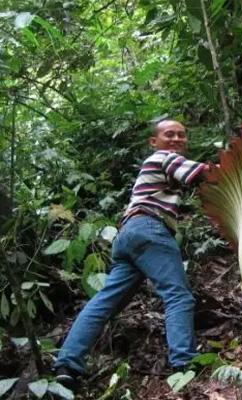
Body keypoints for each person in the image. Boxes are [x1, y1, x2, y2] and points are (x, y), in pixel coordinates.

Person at [54, 119, 209, 389]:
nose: (176, 139)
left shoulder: (158, 164)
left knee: (105, 302)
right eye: (169, 134)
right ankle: (184, 363)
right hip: (150, 229)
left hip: (127, 235)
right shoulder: (164, 157)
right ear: (154, 141)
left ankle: (67, 364)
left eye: (182, 135)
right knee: (178, 296)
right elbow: (203, 174)